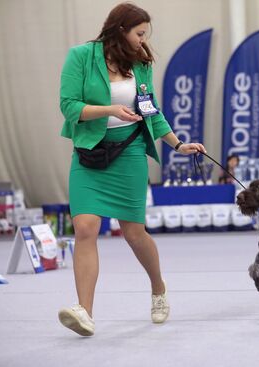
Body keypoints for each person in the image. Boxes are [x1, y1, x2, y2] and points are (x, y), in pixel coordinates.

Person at [58, 3, 206, 336]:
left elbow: (151, 111)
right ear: (120, 29)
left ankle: (158, 288)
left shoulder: (140, 64)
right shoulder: (81, 56)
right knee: (84, 227)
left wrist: (178, 145)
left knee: (134, 234)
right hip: (89, 155)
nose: (143, 41)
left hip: (129, 153)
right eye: (139, 34)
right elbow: (69, 107)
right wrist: (110, 109)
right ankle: (85, 311)